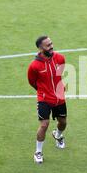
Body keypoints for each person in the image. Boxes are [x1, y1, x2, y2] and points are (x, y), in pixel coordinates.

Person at [28, 36, 67, 164]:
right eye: (47, 45)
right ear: (40, 48)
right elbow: (32, 82)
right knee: (44, 124)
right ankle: (38, 152)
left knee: (63, 122)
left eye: (51, 43)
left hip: (59, 97)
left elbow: (59, 74)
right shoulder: (34, 66)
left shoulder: (60, 58)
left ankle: (58, 135)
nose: (51, 47)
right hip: (44, 98)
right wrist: (43, 91)